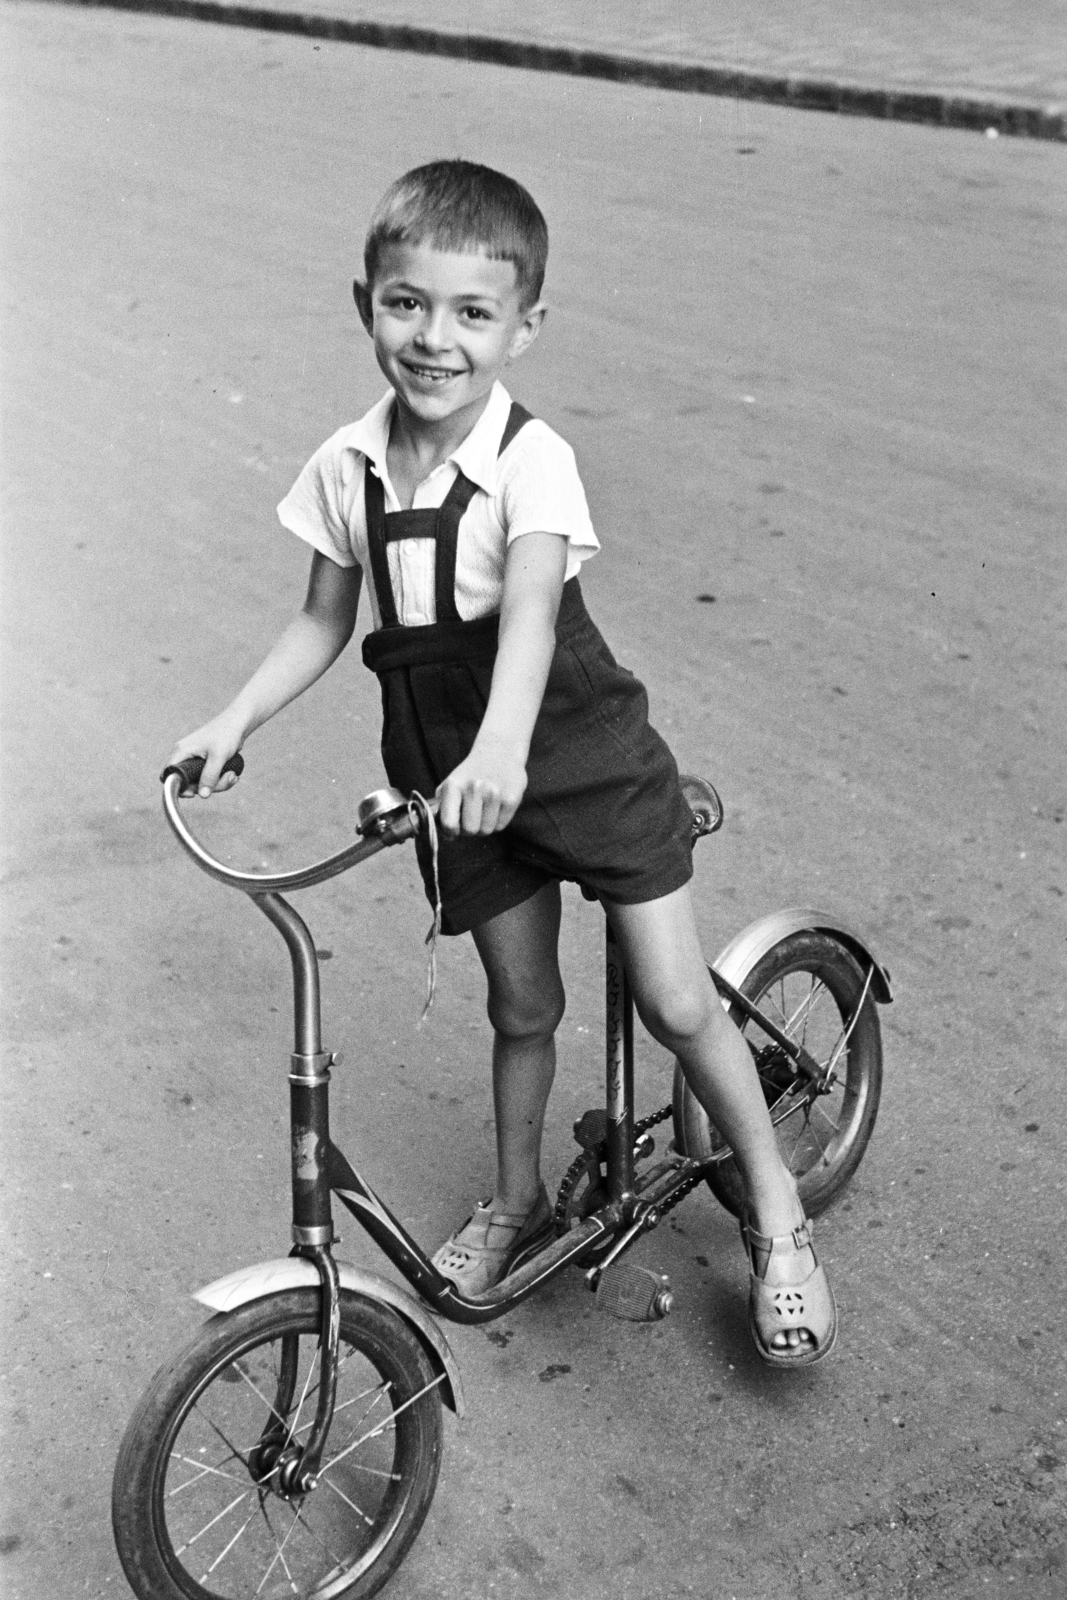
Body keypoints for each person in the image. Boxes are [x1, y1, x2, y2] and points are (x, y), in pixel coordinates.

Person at [166, 159, 836, 1365]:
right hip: (450, 771)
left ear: (523, 326)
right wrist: (233, 720)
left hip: (568, 750)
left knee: (677, 998)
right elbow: (325, 616)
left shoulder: (531, 460)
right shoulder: (347, 465)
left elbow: (530, 617)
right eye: (406, 304)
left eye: (472, 313)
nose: (435, 339)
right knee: (519, 1003)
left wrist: (501, 751)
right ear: (363, 300)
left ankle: (777, 1214)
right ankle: (517, 1196)